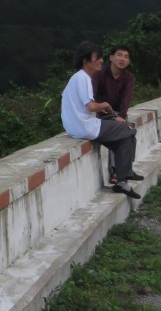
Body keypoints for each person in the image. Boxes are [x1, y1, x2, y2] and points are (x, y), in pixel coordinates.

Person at [60, 42, 141, 199]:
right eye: (97, 58)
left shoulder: (78, 77)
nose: (101, 61)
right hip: (86, 127)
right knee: (128, 129)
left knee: (122, 140)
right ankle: (123, 176)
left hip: (78, 126)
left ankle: (122, 181)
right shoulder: (84, 77)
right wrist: (104, 105)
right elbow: (91, 106)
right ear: (86, 60)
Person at [92, 45, 144, 184]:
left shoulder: (129, 78)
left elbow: (126, 99)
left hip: (116, 114)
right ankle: (117, 171)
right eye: (119, 55)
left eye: (126, 57)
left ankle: (126, 169)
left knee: (129, 131)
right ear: (111, 57)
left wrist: (121, 116)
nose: (123, 59)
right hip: (99, 113)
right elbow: (92, 96)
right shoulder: (99, 74)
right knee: (120, 133)